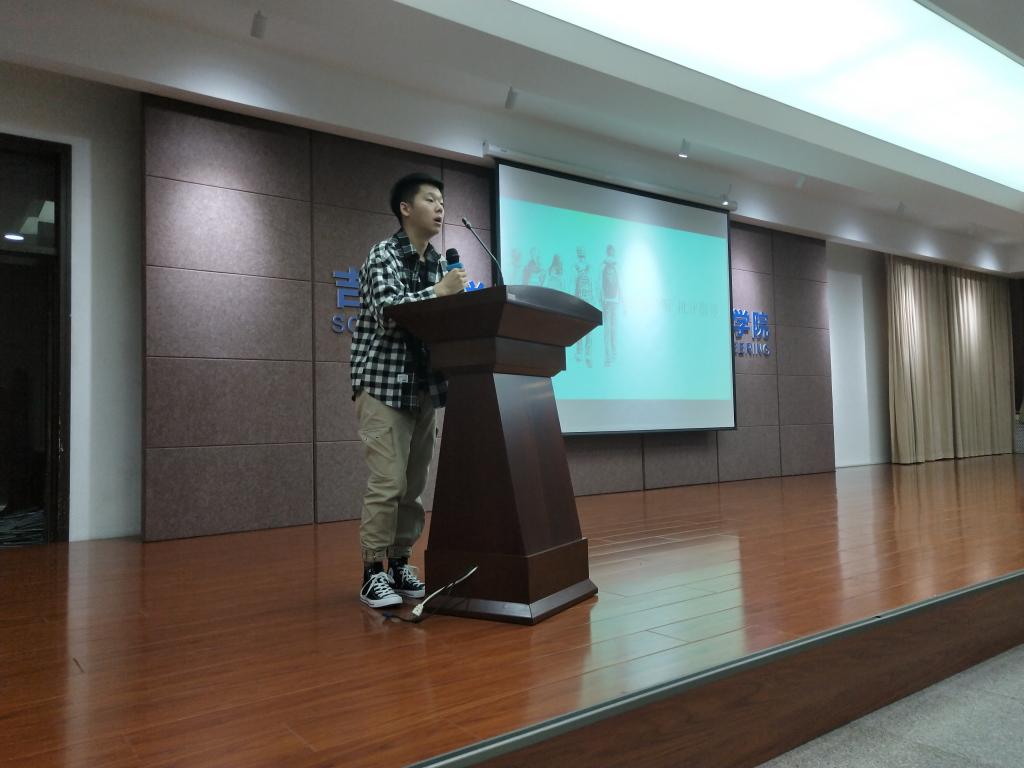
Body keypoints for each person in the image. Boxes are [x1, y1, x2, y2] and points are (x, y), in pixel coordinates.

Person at [349, 172, 468, 608]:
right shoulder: (383, 253)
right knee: (387, 482)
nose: (440, 208)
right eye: (430, 200)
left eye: (442, 202)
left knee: (413, 486)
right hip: (383, 385)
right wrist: (439, 292)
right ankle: (372, 572)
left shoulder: (438, 263)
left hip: (424, 387)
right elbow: (389, 311)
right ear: (405, 208)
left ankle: (400, 562)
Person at [601, 245, 621, 366]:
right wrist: (602, 297)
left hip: (613, 301)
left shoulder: (615, 265)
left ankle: (612, 355)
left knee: (611, 329)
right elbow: (600, 282)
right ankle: (609, 356)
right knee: (609, 330)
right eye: (610, 251)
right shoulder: (604, 265)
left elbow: (620, 283)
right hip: (608, 301)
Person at [573, 246, 593, 366]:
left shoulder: (588, 268)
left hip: (587, 303)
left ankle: (587, 354)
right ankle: (580, 353)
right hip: (579, 302)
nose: (581, 254)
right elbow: (573, 286)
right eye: (579, 252)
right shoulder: (575, 267)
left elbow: (592, 288)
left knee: (588, 330)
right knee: (579, 328)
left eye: (582, 252)